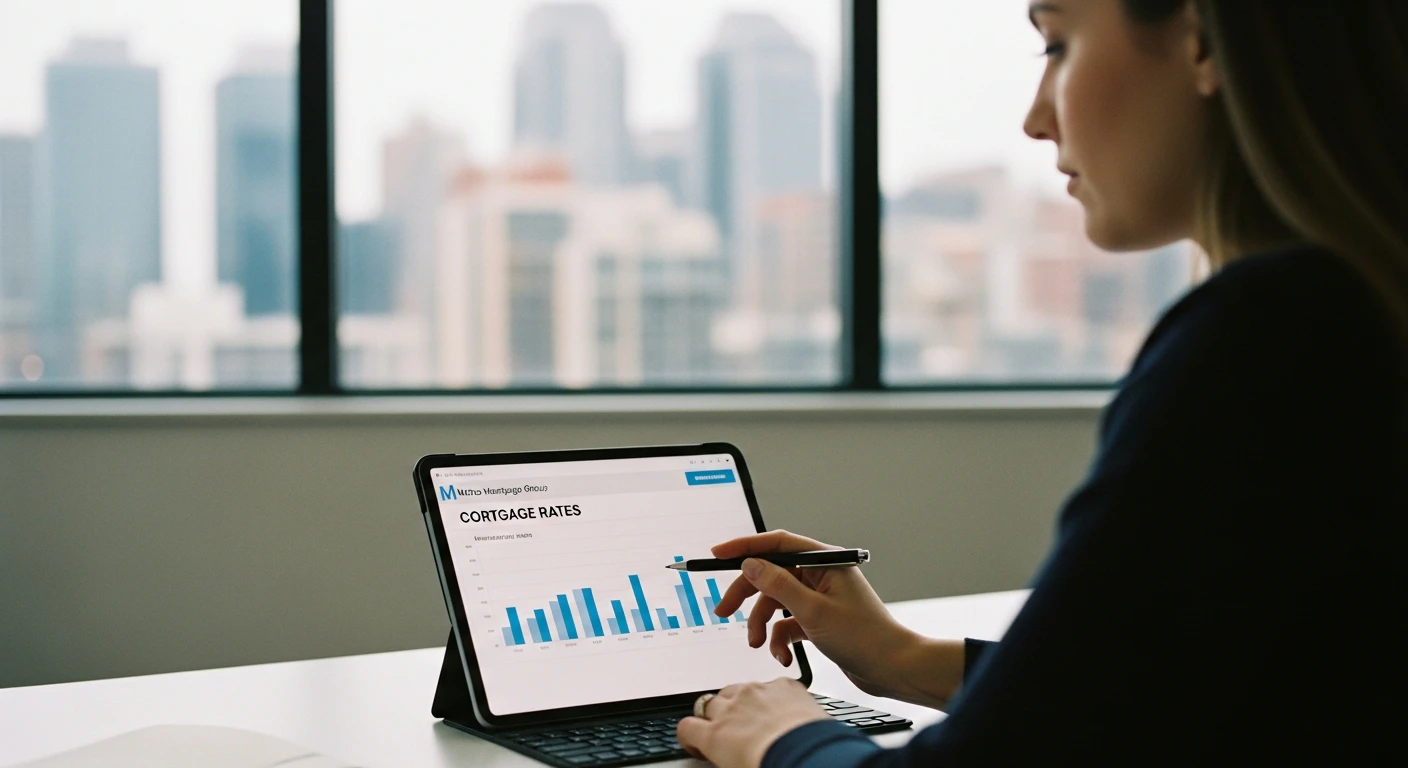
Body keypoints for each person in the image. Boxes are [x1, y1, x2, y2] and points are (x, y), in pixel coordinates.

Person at [675, 0, 1408, 765]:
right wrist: (899, 655)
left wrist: (785, 737)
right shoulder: (1358, 314)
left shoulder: (1272, 333)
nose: (1034, 119)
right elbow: (1216, 691)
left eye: (1056, 45)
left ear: (1198, 38)